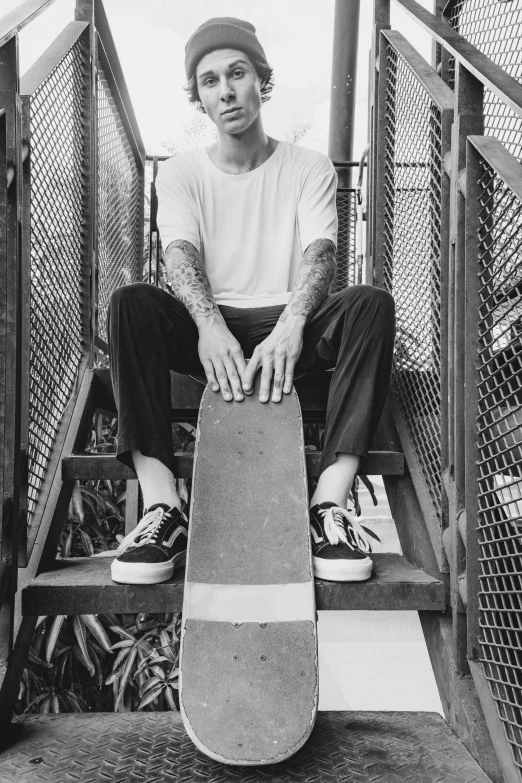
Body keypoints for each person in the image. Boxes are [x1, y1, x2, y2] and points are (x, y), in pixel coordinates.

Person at [107, 17, 395, 586]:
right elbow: (181, 255)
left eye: (236, 73)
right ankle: (163, 507)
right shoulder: (181, 172)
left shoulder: (307, 165)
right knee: (131, 304)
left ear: (259, 80)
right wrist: (209, 326)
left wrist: (292, 323)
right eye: (210, 81)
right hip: (208, 329)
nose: (226, 90)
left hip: (290, 325)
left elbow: (320, 253)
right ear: (201, 99)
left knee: (370, 304)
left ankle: (329, 505)